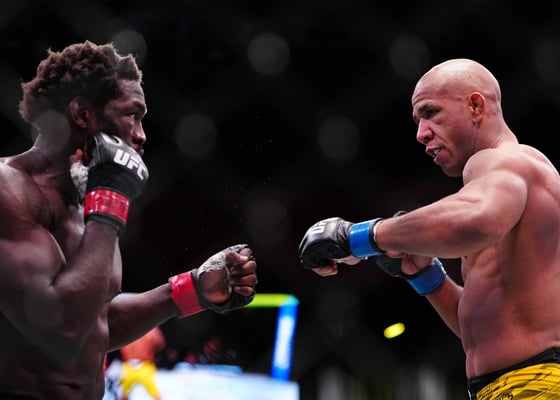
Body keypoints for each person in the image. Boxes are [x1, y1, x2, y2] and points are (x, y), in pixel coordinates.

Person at [0, 40, 258, 399]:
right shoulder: (8, 189)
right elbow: (62, 331)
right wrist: (110, 202)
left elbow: (95, 322)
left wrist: (191, 289)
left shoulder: (90, 206)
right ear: (82, 114)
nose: (141, 135)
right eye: (131, 115)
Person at [299, 58, 560, 399]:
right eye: (418, 120)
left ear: (475, 106)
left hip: (533, 382)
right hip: (518, 382)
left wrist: (360, 237)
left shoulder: (503, 159)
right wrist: (427, 277)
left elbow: (478, 220)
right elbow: (486, 329)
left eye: (431, 112)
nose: (421, 133)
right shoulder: (510, 184)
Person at [119, 327, 166, 400]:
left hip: (143, 365)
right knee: (124, 394)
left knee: (155, 393)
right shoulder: (127, 329)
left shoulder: (149, 330)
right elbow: (160, 344)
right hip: (131, 365)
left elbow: (160, 343)